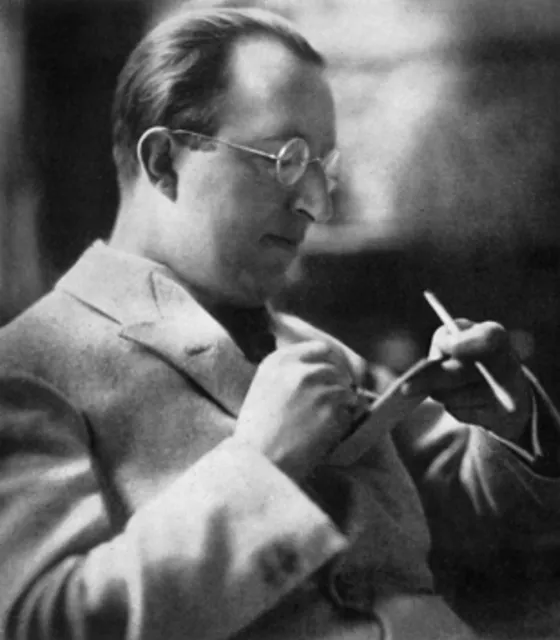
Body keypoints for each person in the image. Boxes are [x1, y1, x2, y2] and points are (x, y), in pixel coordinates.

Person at [1, 6, 559, 639]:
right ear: (163, 162)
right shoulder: (28, 368)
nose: (318, 205)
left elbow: (494, 549)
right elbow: (45, 625)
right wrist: (260, 465)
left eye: (323, 168)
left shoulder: (318, 350)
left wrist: (512, 425)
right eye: (285, 159)